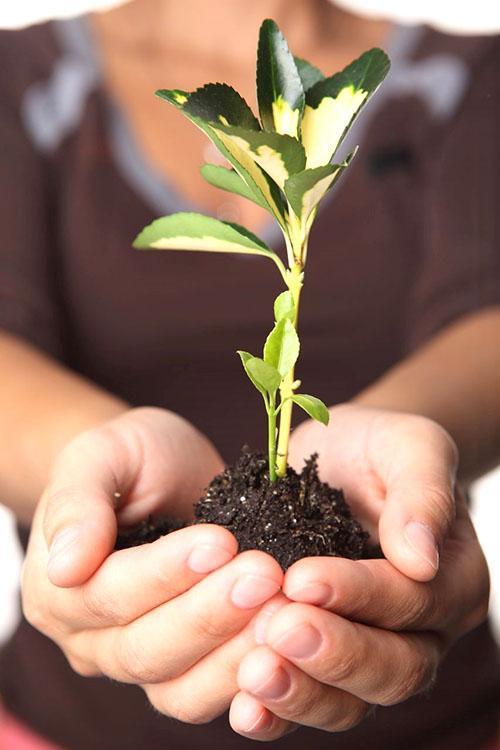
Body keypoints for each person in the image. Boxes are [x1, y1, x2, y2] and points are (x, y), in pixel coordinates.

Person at [0, 0, 499, 747]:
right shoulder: (23, 78)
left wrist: (413, 443)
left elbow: (486, 315)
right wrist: (88, 475)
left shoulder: (469, 79)